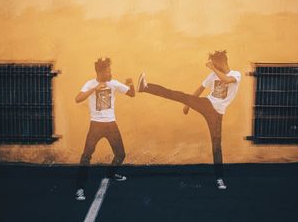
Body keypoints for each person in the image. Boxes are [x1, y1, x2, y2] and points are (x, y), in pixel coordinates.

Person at [136, 50, 241, 190]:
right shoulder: (213, 75)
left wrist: (212, 67)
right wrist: (188, 104)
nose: (215, 67)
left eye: (216, 64)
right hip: (207, 104)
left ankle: (219, 179)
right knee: (178, 95)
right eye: (214, 65)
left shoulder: (235, 74)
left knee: (216, 145)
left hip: (217, 114)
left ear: (223, 62)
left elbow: (226, 80)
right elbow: (200, 89)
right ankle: (146, 87)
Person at [74, 57, 135, 201]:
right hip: (95, 125)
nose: (110, 73)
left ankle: (111, 173)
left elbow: (132, 94)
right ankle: (80, 188)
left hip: (111, 124)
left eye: (110, 71)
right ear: (99, 73)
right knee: (86, 157)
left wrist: (131, 84)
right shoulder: (90, 84)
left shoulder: (113, 83)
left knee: (120, 154)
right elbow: (77, 98)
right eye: (107, 72)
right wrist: (94, 89)